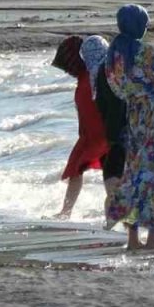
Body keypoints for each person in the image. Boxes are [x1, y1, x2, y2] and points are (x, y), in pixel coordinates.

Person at [104, 4, 154, 250]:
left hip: (135, 119)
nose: (147, 26)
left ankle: (132, 239)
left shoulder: (114, 55)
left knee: (134, 177)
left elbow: (117, 90)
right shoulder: (146, 52)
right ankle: (152, 238)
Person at [50, 36, 109, 220]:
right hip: (99, 134)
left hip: (95, 135)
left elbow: (87, 112)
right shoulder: (98, 75)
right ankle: (112, 213)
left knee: (79, 170)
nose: (68, 71)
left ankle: (67, 212)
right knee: (108, 172)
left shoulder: (87, 80)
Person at [80, 36, 124, 196]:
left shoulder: (102, 74)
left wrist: (111, 137)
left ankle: (116, 219)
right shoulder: (114, 67)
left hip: (118, 137)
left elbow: (115, 105)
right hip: (130, 133)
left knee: (113, 183)